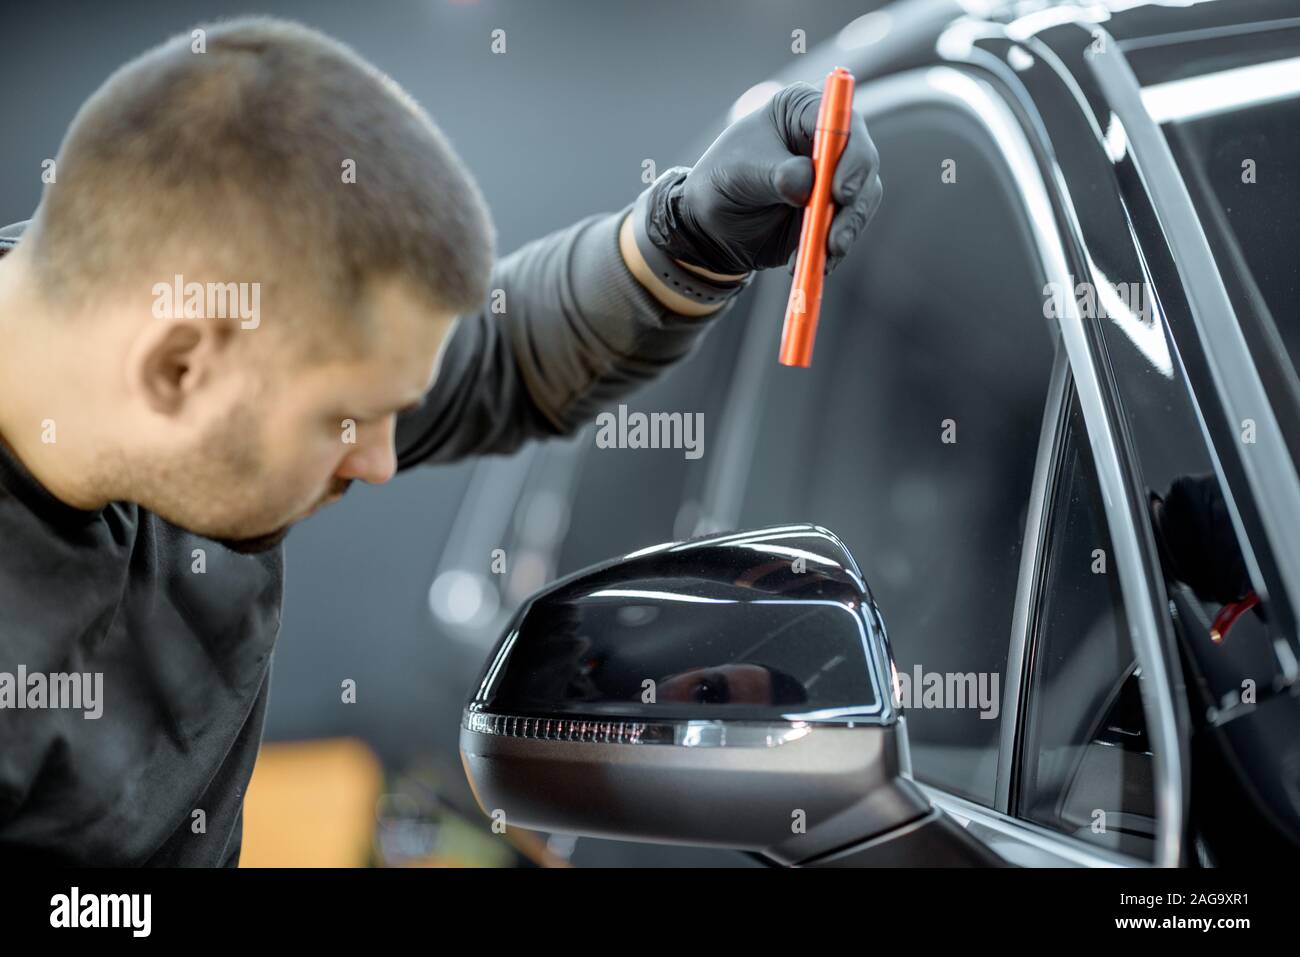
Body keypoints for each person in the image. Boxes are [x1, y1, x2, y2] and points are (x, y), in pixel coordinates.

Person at [0, 16, 881, 865]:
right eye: (344, 421)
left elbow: (500, 353)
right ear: (178, 369)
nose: (382, 459)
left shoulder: (201, 345)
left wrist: (685, 235)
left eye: (392, 409)